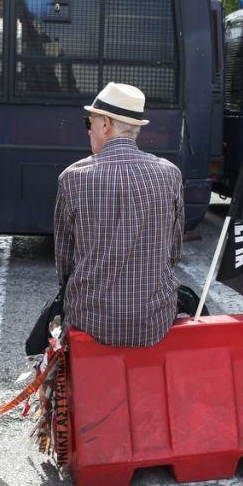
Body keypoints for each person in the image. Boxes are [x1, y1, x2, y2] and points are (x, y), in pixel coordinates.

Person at [54, 82, 183, 347]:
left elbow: (65, 263)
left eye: (89, 122)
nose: (88, 130)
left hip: (91, 319)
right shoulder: (171, 174)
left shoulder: (73, 178)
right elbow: (173, 252)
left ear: (105, 125)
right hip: (154, 319)